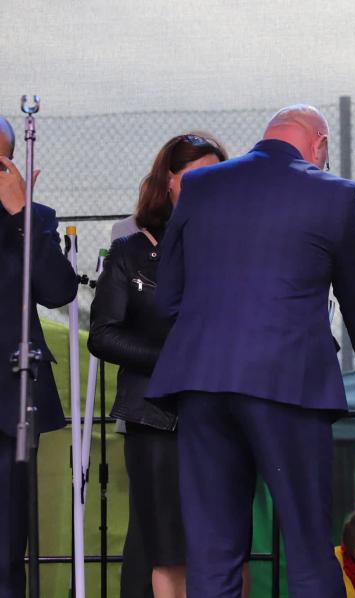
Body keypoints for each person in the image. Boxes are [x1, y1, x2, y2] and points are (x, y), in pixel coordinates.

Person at [145, 104, 355, 597]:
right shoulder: (335, 194)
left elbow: (168, 297)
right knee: (306, 542)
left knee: (212, 549)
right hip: (289, 383)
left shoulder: (201, 185)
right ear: (319, 144)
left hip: (201, 384)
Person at [87, 133, 242, 598]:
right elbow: (103, 335)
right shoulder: (130, 250)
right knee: (167, 550)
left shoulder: (239, 247)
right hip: (156, 418)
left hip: (225, 415)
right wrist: (179, 361)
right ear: (168, 182)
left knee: (227, 549)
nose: (206, 187)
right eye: (194, 177)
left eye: (217, 177)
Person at [0, 115, 80, 595]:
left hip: (8, 404)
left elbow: (57, 291)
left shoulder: (34, 219)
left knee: (6, 551)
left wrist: (21, 215)